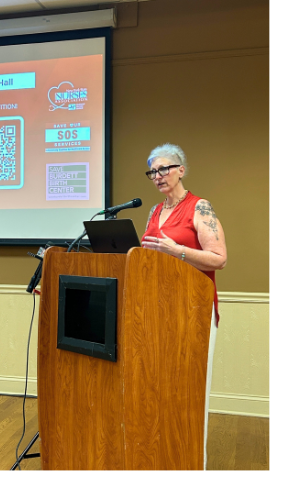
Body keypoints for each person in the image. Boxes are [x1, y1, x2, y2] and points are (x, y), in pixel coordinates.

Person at [139, 144, 227, 467]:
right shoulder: (153, 211)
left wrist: (177, 251)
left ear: (181, 170)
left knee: (190, 399)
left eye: (164, 169)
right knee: (160, 396)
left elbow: (219, 258)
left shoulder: (199, 208)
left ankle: (193, 466)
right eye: (152, 171)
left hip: (194, 313)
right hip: (156, 312)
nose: (158, 176)